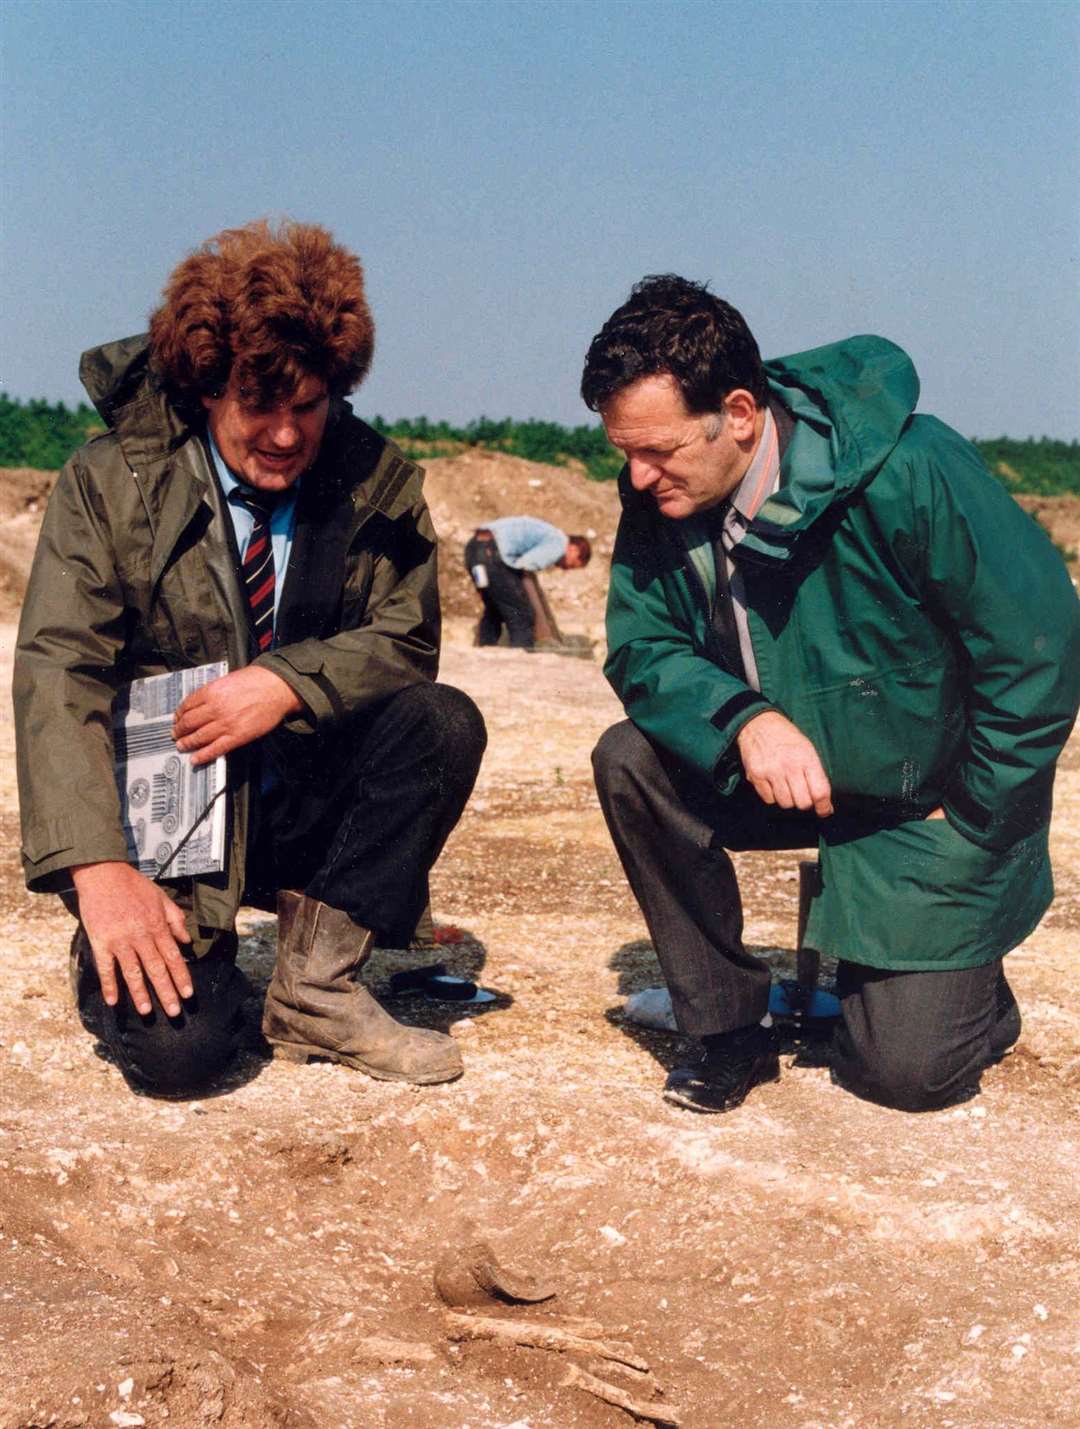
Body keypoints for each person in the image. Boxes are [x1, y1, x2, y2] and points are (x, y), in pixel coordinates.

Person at [584, 275, 1080, 1115]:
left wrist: (975, 814)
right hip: (783, 774)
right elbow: (643, 646)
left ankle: (966, 991)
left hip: (920, 804)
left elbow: (1039, 649)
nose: (637, 478)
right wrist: (745, 720)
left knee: (903, 1075)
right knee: (630, 758)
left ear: (739, 414)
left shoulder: (915, 469)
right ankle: (728, 1028)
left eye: (657, 451)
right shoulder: (664, 495)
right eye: (623, 452)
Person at [14, 220, 487, 1097]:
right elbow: (58, 671)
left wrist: (284, 682)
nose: (282, 434)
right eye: (255, 405)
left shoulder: (374, 477)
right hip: (171, 820)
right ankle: (126, 939)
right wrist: (101, 871)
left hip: (298, 802)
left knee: (442, 721)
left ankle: (316, 988)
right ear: (203, 389)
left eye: (306, 406)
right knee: (180, 1060)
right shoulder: (108, 481)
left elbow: (409, 637)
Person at [465, 516, 591, 648]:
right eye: (571, 565)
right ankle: (522, 659)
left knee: (496, 608)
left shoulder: (548, 534)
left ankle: (485, 649)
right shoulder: (559, 543)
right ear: (574, 549)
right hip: (491, 552)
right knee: (523, 615)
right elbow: (524, 566)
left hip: (473, 549)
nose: (565, 568)